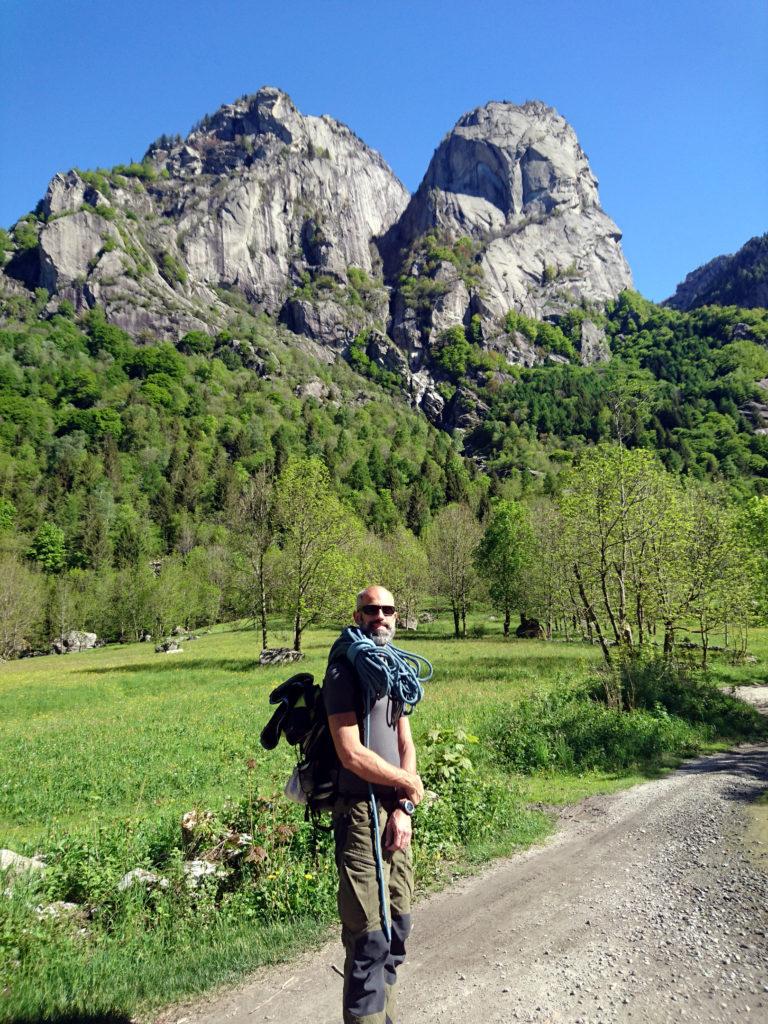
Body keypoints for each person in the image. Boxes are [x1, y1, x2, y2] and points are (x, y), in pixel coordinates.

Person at [324, 585, 425, 1024]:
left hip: (394, 812)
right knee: (367, 941)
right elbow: (351, 753)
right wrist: (408, 783)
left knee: (397, 929)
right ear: (358, 614)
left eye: (387, 609)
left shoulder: (391, 665)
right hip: (359, 815)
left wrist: (404, 805)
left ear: (396, 616)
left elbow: (405, 740)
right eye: (371, 610)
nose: (380, 616)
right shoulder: (344, 668)